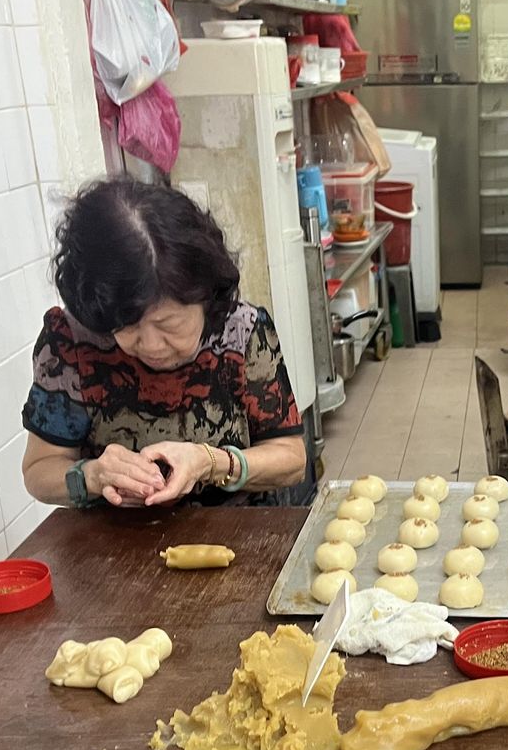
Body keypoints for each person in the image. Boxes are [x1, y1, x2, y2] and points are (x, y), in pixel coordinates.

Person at [22, 178, 308, 510]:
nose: (152, 345)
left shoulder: (241, 331)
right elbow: (39, 470)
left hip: (239, 532)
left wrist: (212, 463)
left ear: (204, 296)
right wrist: (92, 476)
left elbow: (291, 458)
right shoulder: (70, 342)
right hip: (111, 543)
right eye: (126, 327)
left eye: (167, 324)